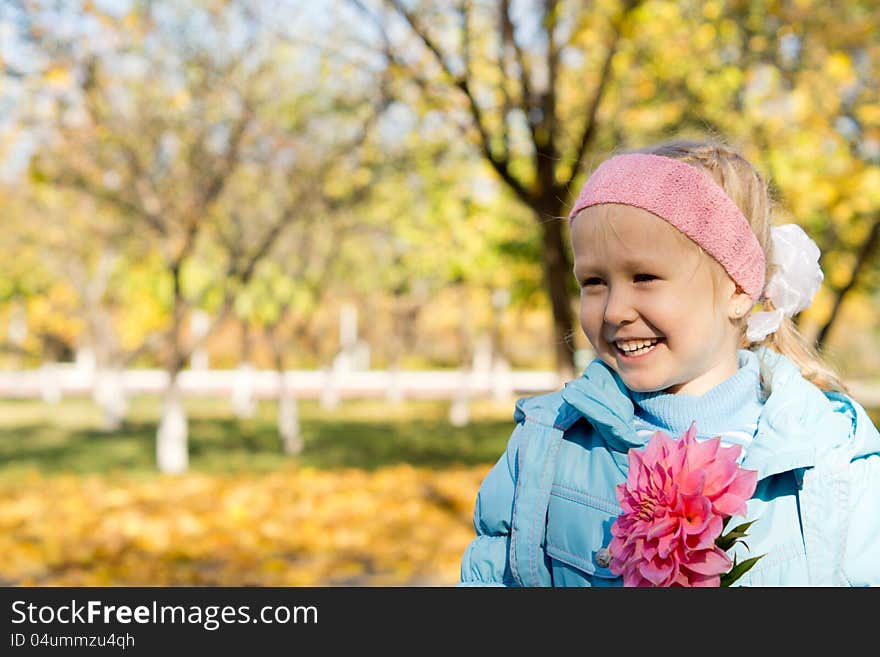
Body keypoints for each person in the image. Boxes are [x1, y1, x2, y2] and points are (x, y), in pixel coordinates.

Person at [459, 139, 880, 587]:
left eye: (644, 277)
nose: (615, 310)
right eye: (594, 281)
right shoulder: (545, 449)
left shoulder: (830, 454)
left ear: (738, 289)